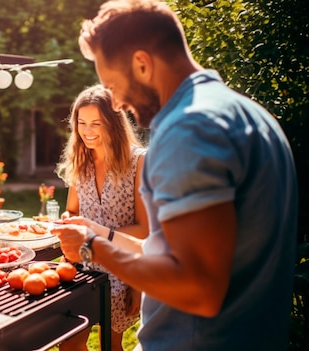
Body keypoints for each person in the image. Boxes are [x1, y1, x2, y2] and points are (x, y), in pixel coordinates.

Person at [52, 1, 298, 350]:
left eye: (113, 85)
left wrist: (93, 249)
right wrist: (98, 233)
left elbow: (197, 288)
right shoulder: (250, 116)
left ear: (142, 63)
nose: (117, 104)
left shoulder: (188, 128)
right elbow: (177, 251)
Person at [55, 85, 148, 351]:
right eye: (82, 123)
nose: (88, 130)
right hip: (81, 265)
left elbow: (145, 229)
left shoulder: (138, 161)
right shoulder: (80, 159)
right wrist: (67, 220)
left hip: (121, 270)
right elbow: (72, 210)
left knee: (112, 346)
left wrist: (137, 284)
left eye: (97, 123)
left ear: (114, 123)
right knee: (69, 346)